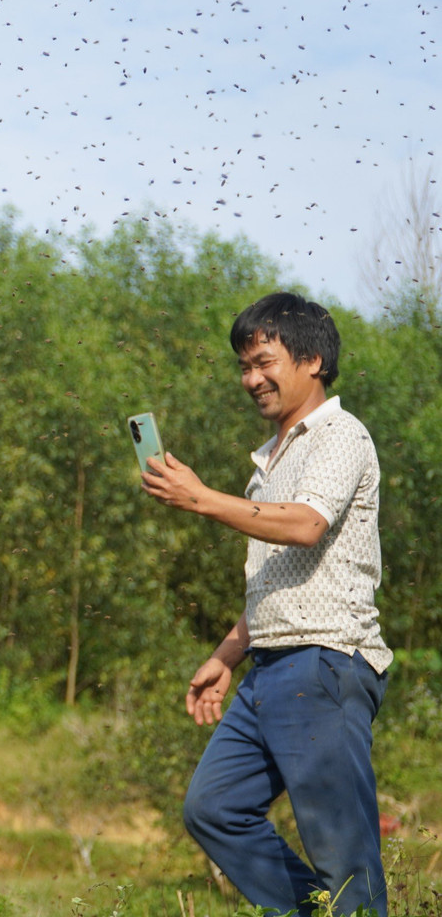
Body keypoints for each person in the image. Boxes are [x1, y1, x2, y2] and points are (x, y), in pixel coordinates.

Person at [140, 291, 391, 917]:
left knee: (342, 850)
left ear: (311, 361)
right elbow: (281, 576)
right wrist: (228, 655)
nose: (251, 378)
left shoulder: (340, 434)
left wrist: (201, 498)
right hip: (269, 667)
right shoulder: (269, 462)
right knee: (214, 809)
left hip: (325, 662)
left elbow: (306, 526)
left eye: (264, 361)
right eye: (244, 366)